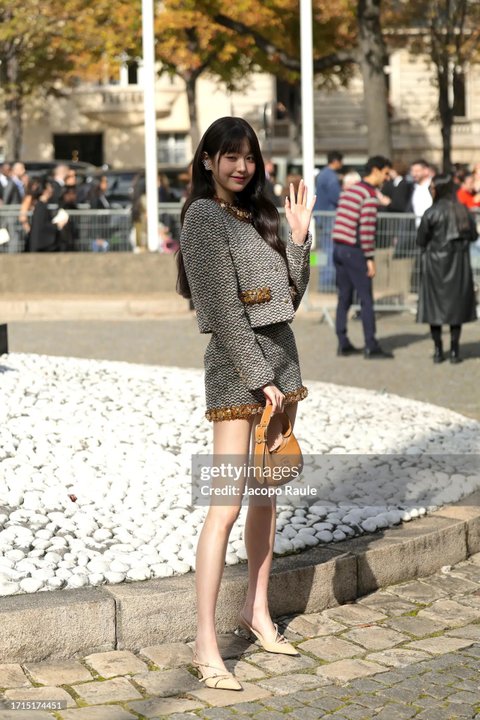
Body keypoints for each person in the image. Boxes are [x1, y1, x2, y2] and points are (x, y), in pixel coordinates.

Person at [176, 116, 314, 691]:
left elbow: (288, 299)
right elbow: (222, 311)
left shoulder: (258, 216)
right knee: (225, 506)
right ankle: (205, 643)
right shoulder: (202, 217)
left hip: (282, 370)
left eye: (249, 156)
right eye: (229, 155)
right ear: (207, 160)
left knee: (266, 497)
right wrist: (258, 379)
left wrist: (298, 239)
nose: (241, 166)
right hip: (240, 376)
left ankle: (257, 612)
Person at [332, 155, 394, 359]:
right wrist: (370, 258)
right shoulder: (368, 195)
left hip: (339, 247)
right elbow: (366, 230)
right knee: (366, 299)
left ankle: (343, 342)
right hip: (354, 249)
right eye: (386, 173)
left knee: (344, 297)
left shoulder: (351, 190)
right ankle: (371, 345)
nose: (387, 178)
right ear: (375, 170)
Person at [416, 173, 477, 364]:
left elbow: (421, 239)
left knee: (434, 308)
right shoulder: (462, 211)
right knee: (456, 309)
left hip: (435, 265)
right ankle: (454, 351)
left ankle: (438, 350)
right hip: (459, 264)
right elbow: (473, 236)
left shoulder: (431, 212)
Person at [315, 151, 343, 290]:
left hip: (321, 216)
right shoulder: (331, 176)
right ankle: (327, 283)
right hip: (329, 217)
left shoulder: (321, 174)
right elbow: (336, 197)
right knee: (330, 250)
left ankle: (324, 282)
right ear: (336, 161)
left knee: (324, 251)